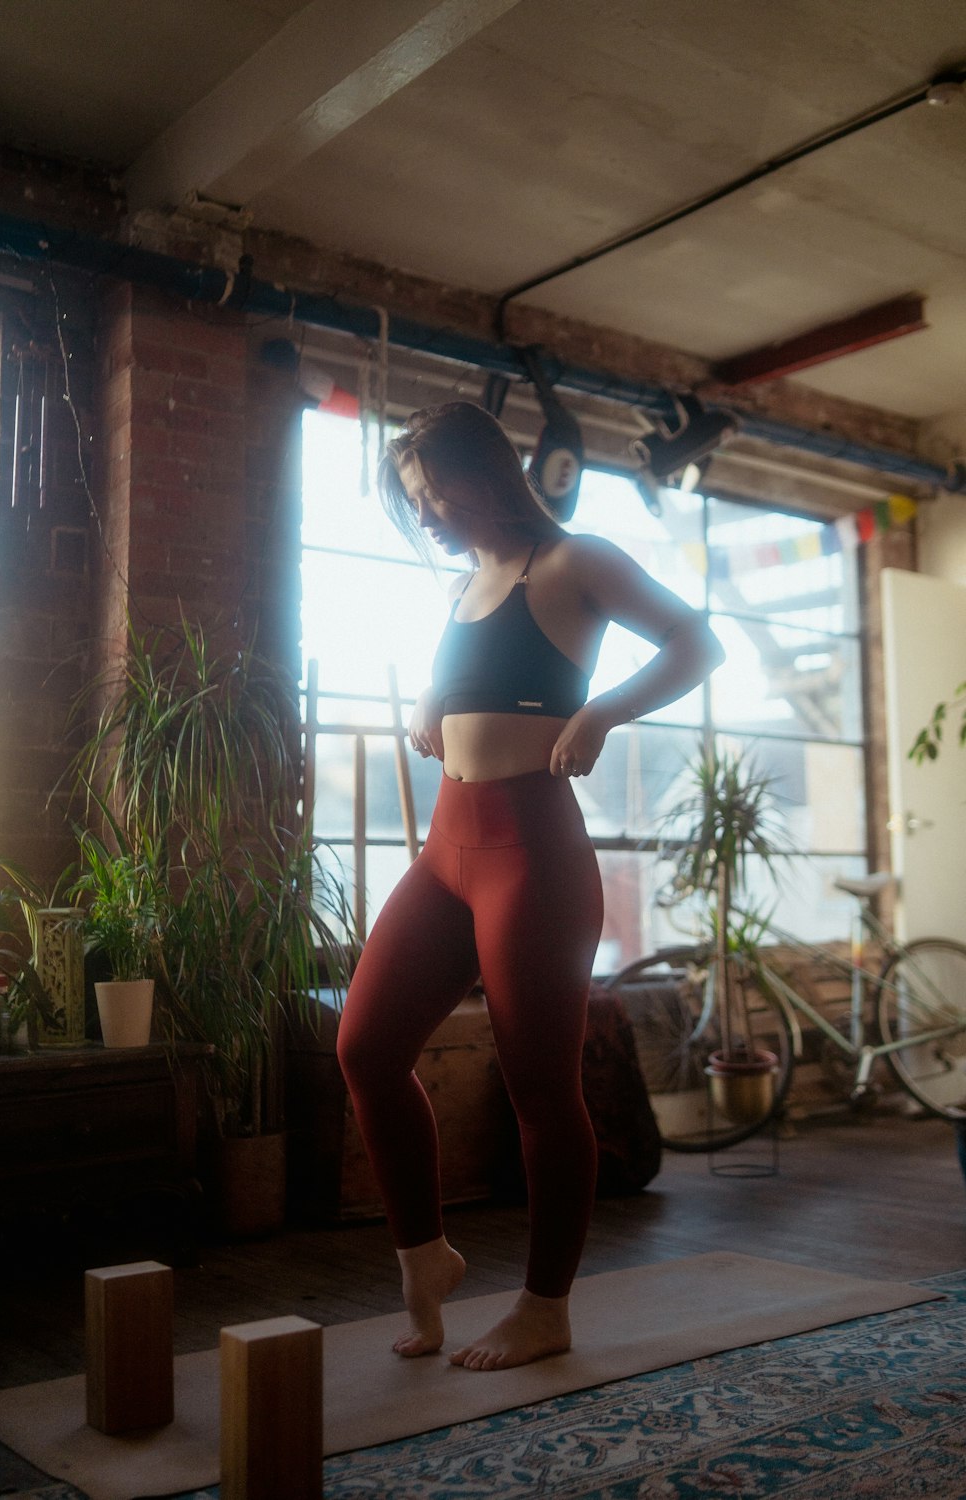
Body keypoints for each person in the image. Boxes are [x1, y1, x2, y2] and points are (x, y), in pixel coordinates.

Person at [336, 400, 724, 1372]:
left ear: (483, 476)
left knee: (541, 1089)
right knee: (365, 1047)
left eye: (434, 495)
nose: (425, 517)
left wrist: (602, 712)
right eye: (414, 503)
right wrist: (431, 694)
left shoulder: (574, 561)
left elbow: (694, 644)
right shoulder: (464, 586)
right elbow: (473, 685)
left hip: (532, 856)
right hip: (444, 852)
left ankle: (545, 1306)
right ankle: (426, 1258)